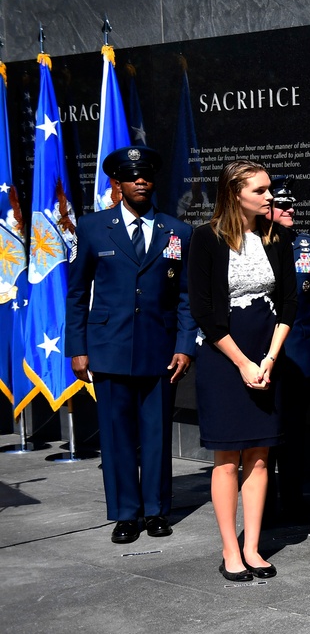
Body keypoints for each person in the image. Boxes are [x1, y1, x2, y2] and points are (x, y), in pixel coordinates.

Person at [67, 146, 197, 544]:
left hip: (159, 349)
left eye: (146, 176)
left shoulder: (177, 231)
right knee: (117, 434)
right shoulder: (92, 228)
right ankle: (125, 513)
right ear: (117, 184)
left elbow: (186, 295)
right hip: (108, 346)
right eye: (131, 176)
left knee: (156, 433)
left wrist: (185, 345)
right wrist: (78, 347)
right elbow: (76, 293)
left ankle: (156, 509)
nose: (140, 181)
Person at [188, 159, 297, 582]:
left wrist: (268, 359)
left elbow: (290, 302)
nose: (270, 196)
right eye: (262, 190)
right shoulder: (206, 238)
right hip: (224, 359)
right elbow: (203, 311)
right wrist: (244, 363)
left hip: (267, 357)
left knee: (259, 456)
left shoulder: (276, 237)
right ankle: (230, 550)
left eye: (270, 189)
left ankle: (253, 547)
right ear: (236, 193)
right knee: (227, 458)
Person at [265, 176, 310, 523]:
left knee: (294, 431)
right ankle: (262, 505)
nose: (290, 209)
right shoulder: (246, 247)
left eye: (290, 203)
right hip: (259, 354)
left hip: (299, 351)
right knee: (264, 433)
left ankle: (292, 500)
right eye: (282, 205)